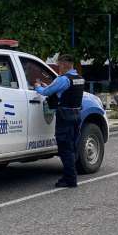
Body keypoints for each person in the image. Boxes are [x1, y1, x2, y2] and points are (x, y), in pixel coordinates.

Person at [35, 54, 85, 188]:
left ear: (63, 64)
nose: (58, 68)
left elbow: (46, 92)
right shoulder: (79, 78)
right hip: (76, 115)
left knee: (64, 148)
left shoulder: (63, 79)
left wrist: (37, 87)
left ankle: (70, 179)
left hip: (65, 116)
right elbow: (61, 91)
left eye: (59, 65)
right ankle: (70, 175)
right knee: (72, 147)